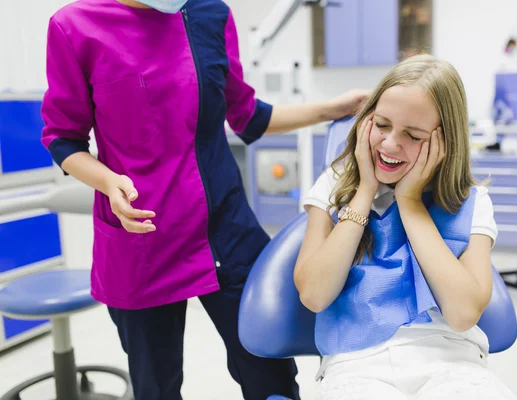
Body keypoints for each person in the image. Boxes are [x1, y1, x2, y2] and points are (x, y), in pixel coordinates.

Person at [40, 0, 369, 399]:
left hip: (227, 231)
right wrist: (108, 182)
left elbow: (245, 115)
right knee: (156, 387)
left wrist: (332, 108)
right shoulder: (75, 26)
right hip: (143, 237)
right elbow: (63, 137)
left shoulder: (211, 14)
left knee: (270, 374)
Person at [294, 54, 517, 400]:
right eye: (381, 125)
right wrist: (365, 192)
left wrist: (410, 203)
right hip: (356, 365)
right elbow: (314, 294)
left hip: (453, 363)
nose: (390, 144)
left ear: (446, 142)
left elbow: (461, 315)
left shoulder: (472, 202)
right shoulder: (333, 186)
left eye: (413, 136)